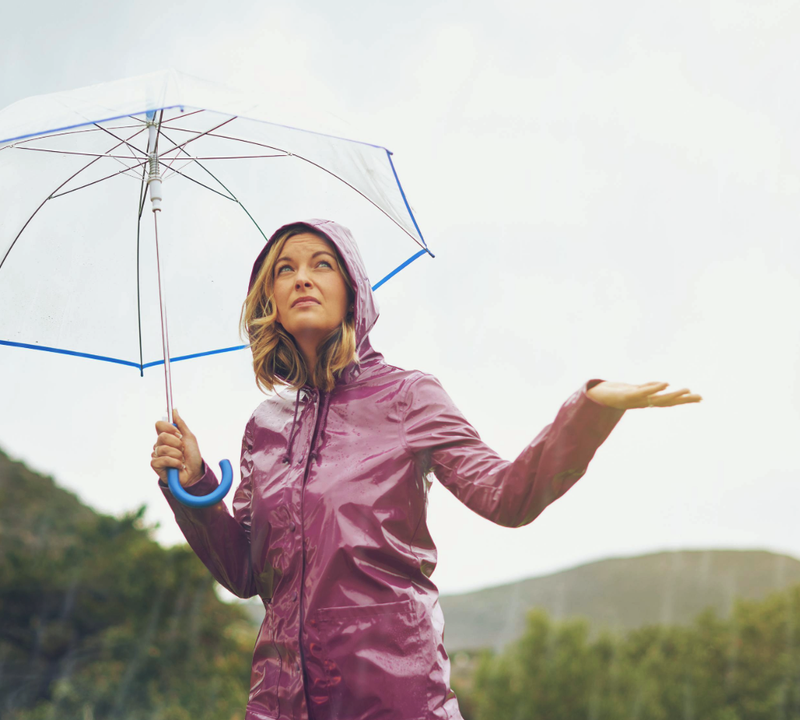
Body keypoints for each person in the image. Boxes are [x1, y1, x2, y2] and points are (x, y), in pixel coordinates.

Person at [150, 219, 701, 720]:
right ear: (267, 297)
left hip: (392, 702)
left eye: (322, 264)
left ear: (354, 291)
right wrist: (193, 483)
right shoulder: (264, 426)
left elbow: (507, 496)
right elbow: (245, 574)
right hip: (278, 704)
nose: (302, 279)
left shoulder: (409, 397)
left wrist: (591, 407)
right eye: (284, 270)